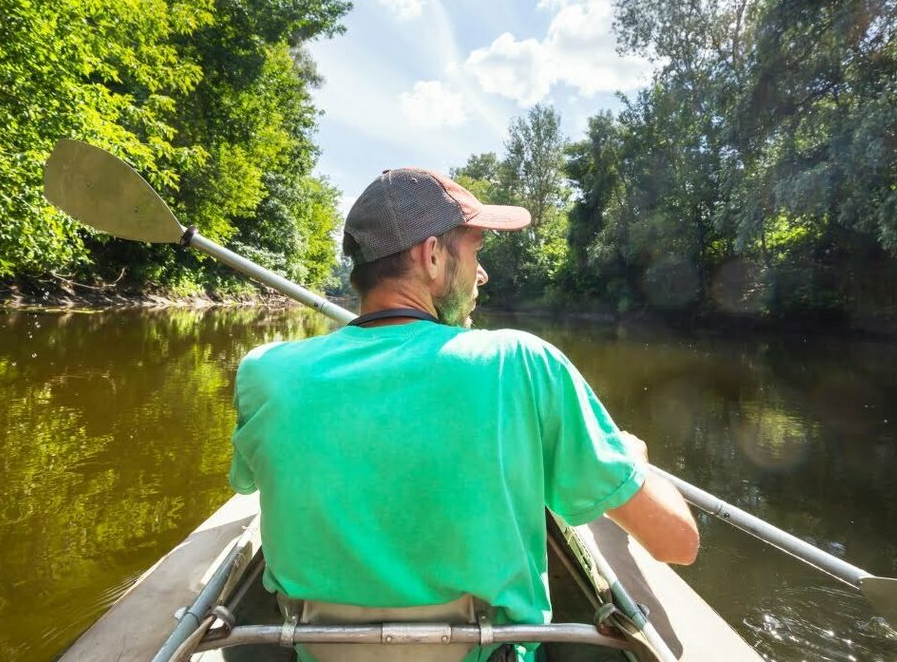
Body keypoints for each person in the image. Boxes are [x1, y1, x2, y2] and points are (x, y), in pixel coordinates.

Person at [229, 168, 699, 661]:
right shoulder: (522, 363)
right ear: (431, 256)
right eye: (475, 250)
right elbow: (677, 543)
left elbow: (247, 485)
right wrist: (632, 460)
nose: (483, 273)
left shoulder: (266, 373)